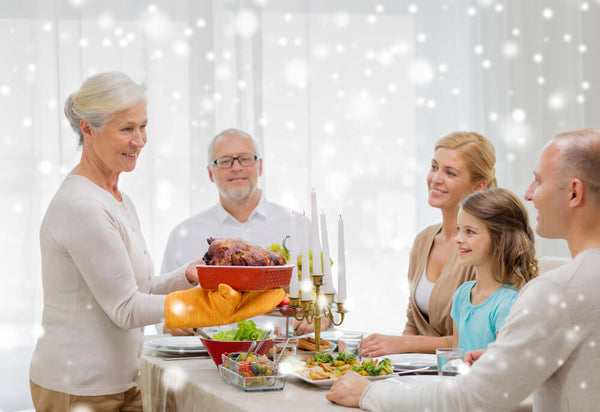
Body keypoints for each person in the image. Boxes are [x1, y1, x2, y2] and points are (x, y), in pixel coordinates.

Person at [28, 72, 283, 411]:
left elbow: (140, 287)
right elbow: (125, 308)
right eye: (126, 129)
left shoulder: (117, 198)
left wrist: (190, 274)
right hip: (80, 388)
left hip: (124, 379)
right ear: (88, 128)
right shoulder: (82, 206)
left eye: (143, 126)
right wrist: (205, 307)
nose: (140, 140)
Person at [327, 128, 600, 410]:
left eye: (538, 181)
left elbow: (472, 398)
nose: (529, 194)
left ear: (574, 192)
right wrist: (502, 358)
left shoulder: (556, 292)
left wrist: (367, 394)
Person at [161, 128, 322, 336]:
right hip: (206, 358)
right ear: (210, 172)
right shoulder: (183, 234)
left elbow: (326, 301)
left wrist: (321, 318)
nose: (236, 168)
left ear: (260, 166)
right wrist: (178, 323)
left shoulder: (300, 226)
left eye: (245, 159)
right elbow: (162, 316)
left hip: (285, 353)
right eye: (225, 161)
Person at [362, 131, 497, 357]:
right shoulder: (424, 240)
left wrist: (403, 345)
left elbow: (480, 338)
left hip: (461, 375)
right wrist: (394, 363)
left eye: (450, 173)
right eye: (434, 167)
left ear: (478, 186)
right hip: (421, 371)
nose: (435, 179)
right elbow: (413, 322)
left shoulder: (488, 247)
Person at [451, 188, 538, 353]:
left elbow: (501, 372)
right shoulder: (461, 295)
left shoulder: (509, 303)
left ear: (500, 239)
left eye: (470, 232)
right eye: (458, 229)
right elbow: (455, 362)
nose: (458, 239)